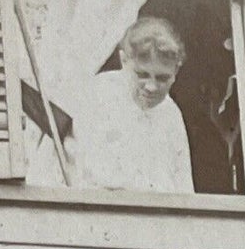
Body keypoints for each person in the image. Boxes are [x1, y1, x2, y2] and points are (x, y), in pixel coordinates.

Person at [70, 15, 194, 194]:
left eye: (162, 78)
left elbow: (184, 187)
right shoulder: (100, 94)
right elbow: (84, 172)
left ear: (176, 69)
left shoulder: (171, 113)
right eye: (142, 74)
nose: (151, 87)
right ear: (124, 60)